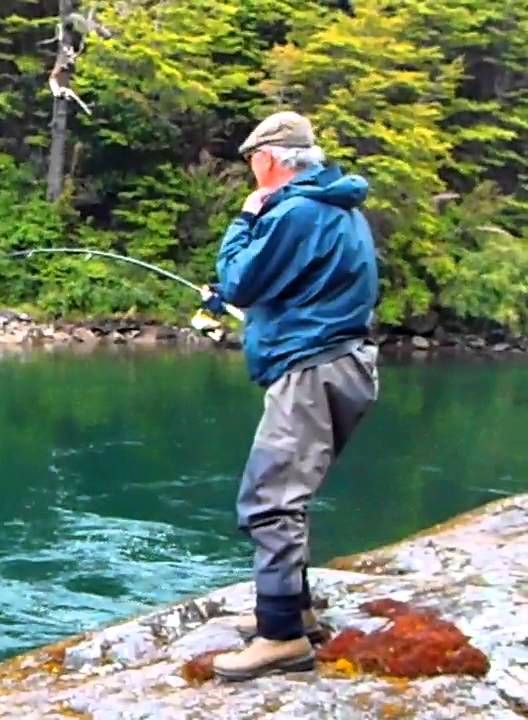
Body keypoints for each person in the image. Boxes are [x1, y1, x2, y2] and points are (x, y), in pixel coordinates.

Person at [199, 110, 381, 681]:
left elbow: (239, 282)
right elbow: (290, 286)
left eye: (253, 162)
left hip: (311, 369)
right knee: (287, 494)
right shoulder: (339, 209)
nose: (252, 173)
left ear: (269, 159)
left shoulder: (294, 211)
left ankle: (280, 638)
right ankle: (297, 611)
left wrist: (245, 219)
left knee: (269, 500)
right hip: (343, 363)